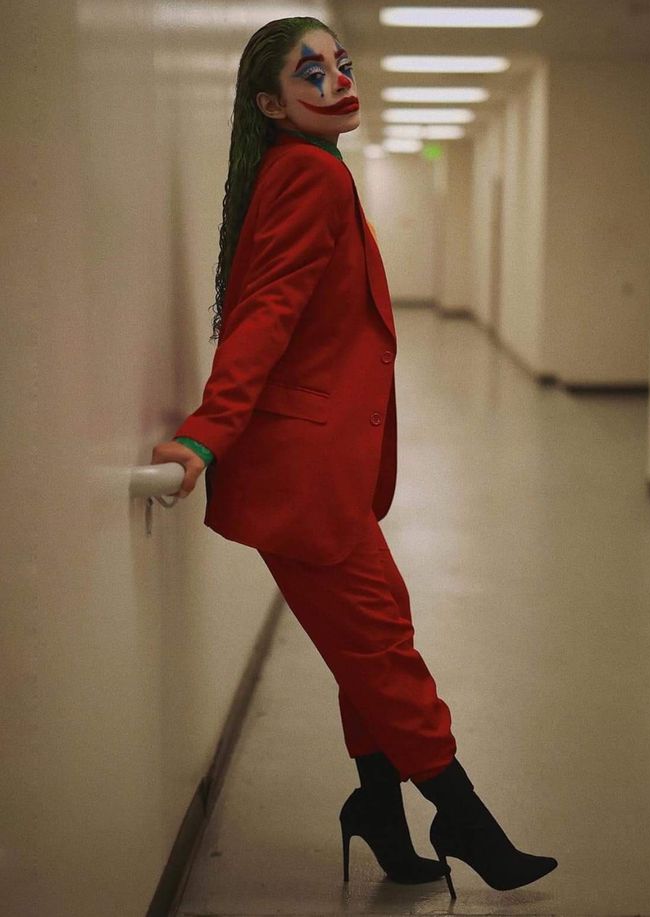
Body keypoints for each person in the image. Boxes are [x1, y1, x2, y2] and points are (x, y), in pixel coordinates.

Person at [150, 16, 558, 899]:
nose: (338, 79)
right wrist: (204, 432)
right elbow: (264, 313)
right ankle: (462, 814)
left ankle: (378, 805)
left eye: (341, 63)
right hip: (302, 472)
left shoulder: (305, 169)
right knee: (381, 644)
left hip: (319, 466)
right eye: (312, 72)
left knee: (364, 638)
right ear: (270, 102)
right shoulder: (308, 177)